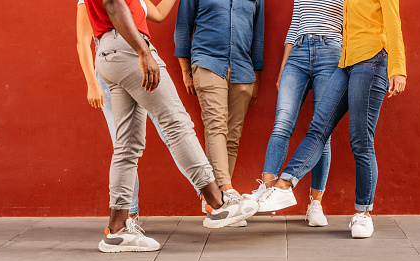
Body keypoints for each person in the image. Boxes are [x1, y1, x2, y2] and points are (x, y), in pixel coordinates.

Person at [82, 0, 259, 253]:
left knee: (127, 147)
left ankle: (117, 229)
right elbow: (113, 4)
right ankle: (218, 204)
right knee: (176, 123)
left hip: (110, 51)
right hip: (129, 47)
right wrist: (144, 51)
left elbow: (152, 12)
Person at [257, 0, 407, 238]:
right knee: (318, 128)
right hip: (345, 63)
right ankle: (284, 184)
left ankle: (363, 213)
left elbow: (393, 24)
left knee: (361, 141)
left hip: (373, 60)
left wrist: (398, 69)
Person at [76, 0, 200, 223]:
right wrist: (92, 84)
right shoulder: (88, 3)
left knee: (169, 132)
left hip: (142, 67)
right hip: (117, 65)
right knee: (125, 142)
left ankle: (206, 196)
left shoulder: (138, 0)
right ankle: (130, 215)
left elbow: (160, 13)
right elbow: (83, 42)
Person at [245, 0, 344, 227]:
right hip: (297, 55)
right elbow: (294, 26)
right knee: (282, 123)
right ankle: (267, 191)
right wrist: (282, 69)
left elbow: (350, 24)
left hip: (330, 53)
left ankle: (315, 204)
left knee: (322, 130)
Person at [173, 0, 264, 201]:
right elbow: (183, 26)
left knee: (232, 137)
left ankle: (218, 202)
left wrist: (256, 77)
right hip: (208, 62)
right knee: (216, 126)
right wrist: (185, 69)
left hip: (243, 69)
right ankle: (225, 191)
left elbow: (258, 35)